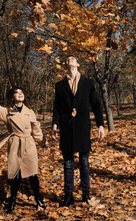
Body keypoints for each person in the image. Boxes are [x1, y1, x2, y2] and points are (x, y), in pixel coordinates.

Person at [0, 84, 50, 213]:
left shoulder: (30, 111)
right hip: (15, 144)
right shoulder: (7, 112)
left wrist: (44, 144)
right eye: (17, 92)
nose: (20, 94)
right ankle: (13, 200)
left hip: (29, 144)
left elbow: (36, 130)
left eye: (22, 92)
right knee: (15, 175)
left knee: (33, 175)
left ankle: (38, 199)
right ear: (12, 97)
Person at [52, 55, 105, 207]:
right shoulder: (60, 85)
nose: (70, 59)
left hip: (83, 128)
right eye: (67, 59)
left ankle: (85, 194)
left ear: (78, 63)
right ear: (66, 65)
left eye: (73, 58)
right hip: (66, 128)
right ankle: (68, 196)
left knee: (84, 162)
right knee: (68, 163)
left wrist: (100, 125)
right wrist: (55, 126)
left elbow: (96, 105)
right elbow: (56, 108)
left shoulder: (88, 83)